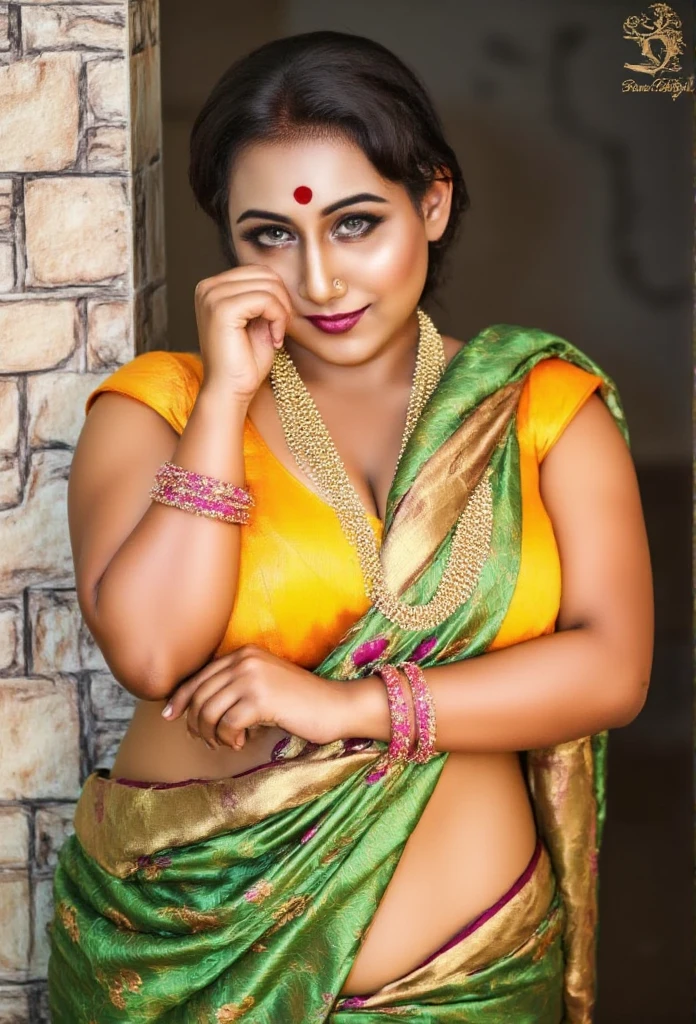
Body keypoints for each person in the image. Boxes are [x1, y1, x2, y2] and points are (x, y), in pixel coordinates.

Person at [47, 29, 653, 1024]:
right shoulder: (160, 407)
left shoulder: (539, 407)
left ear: (435, 202)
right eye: (272, 236)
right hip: (183, 964)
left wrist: (350, 706)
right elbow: (154, 652)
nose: (320, 280)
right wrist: (224, 403)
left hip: (467, 983)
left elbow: (613, 669)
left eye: (357, 222)